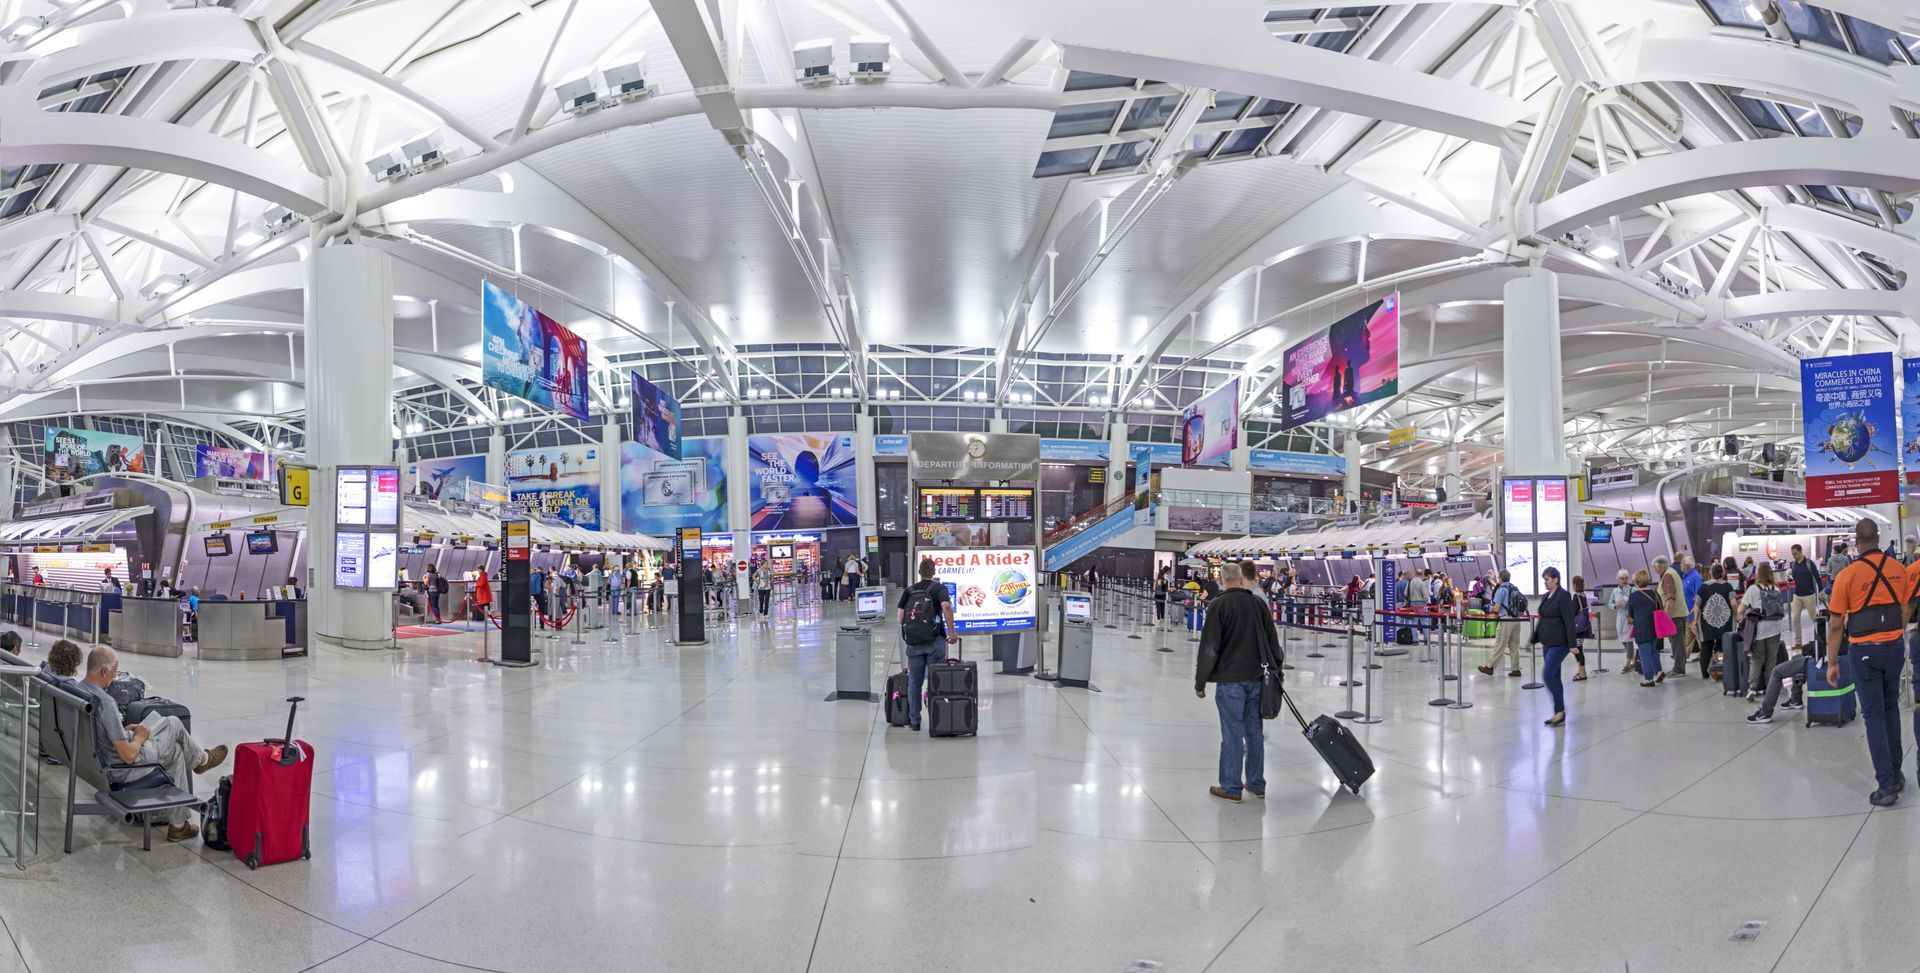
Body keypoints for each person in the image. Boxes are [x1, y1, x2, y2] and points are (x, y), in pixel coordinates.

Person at [73, 646, 228, 841]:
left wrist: (124, 732)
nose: (114, 677)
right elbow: (128, 756)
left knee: (175, 749)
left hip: (99, 761)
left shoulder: (80, 690)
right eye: (114, 671)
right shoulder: (105, 703)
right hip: (124, 769)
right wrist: (139, 737)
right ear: (104, 671)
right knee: (173, 724)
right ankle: (201, 760)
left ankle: (179, 826)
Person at [1824, 519, 1907, 806]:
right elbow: (1905, 606)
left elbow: (1836, 625)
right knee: (1890, 707)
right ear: (1879, 538)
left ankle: (1886, 785)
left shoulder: (1847, 575)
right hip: (1894, 648)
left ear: (1857, 542)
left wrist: (1832, 662)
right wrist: (1897, 633)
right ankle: (1896, 774)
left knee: (1873, 716)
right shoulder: (1898, 569)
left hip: (1865, 651)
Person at [1195, 560, 1279, 803]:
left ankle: (1231, 787)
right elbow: (1272, 642)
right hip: (1257, 678)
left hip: (1230, 681)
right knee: (1254, 732)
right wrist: (1277, 672)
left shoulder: (1218, 605)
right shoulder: (1257, 604)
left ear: (1222, 580)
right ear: (1241, 579)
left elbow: (1210, 648)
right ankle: (1256, 784)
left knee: (1232, 733)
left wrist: (1200, 682)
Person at [896, 557, 959, 732]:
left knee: (914, 682)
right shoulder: (939, 589)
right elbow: (946, 607)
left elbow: (901, 618)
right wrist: (952, 632)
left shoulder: (909, 590)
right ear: (934, 572)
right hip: (935, 641)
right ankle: (936, 718)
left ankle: (915, 721)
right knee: (935, 681)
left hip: (914, 643)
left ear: (919, 572)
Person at [1532, 567, 1577, 727]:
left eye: (1547, 579)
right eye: (1544, 579)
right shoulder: (1545, 597)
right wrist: (1533, 639)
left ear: (1556, 579)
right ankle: (1559, 712)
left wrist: (1573, 644)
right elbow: (1542, 619)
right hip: (1547, 642)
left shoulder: (1563, 596)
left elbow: (1569, 621)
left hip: (1560, 643)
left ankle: (1560, 710)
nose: (1545, 582)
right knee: (1555, 677)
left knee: (1548, 675)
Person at [1737, 562, 1785, 700]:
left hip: (1759, 629)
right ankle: (1770, 687)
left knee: (1757, 659)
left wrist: (1742, 618)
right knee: (1771, 659)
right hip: (1775, 628)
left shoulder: (1753, 589)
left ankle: (1752, 689)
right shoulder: (1776, 589)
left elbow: (1740, 609)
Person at [1477, 570, 1525, 677]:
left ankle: (1489, 667)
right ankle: (1515, 669)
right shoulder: (1514, 588)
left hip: (1506, 619)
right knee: (1514, 645)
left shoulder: (1501, 590)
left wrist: (1491, 608)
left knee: (1500, 644)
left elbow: (1497, 607)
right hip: (1517, 619)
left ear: (1501, 578)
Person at [1694, 564, 1737, 682]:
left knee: (1706, 646)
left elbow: (1697, 605)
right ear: (1722, 574)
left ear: (1711, 573)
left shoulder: (1703, 587)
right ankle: (1721, 669)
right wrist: (1737, 615)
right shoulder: (1728, 586)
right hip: (1725, 621)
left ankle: (1704, 673)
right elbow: (1733, 603)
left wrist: (1694, 620)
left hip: (1707, 621)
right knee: (1721, 645)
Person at [1626, 571, 1666, 687]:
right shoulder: (1654, 593)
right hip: (1655, 628)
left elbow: (1631, 614)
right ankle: (1659, 671)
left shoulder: (1633, 596)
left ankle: (1649, 679)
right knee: (1653, 651)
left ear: (1637, 582)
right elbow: (1660, 608)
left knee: (1644, 655)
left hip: (1642, 629)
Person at [1655, 556, 1687, 675]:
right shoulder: (1671, 572)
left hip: (1674, 615)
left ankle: (1678, 669)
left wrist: (1665, 614)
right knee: (1678, 642)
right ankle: (1679, 667)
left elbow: (1670, 596)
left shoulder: (1668, 575)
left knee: (1677, 642)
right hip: (1678, 613)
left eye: (1655, 567)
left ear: (1659, 566)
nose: (1655, 570)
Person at [1787, 544, 1821, 650]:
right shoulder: (1793, 564)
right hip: (1797, 595)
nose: (1794, 556)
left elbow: (1817, 577)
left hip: (1809, 595)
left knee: (1814, 618)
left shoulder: (1809, 563)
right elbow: (1794, 578)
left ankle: (1821, 639)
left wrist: (1821, 592)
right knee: (1795, 618)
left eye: (1795, 553)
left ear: (1801, 551)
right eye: (1792, 554)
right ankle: (1798, 642)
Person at [1568, 575, 1593, 681]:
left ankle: (1583, 673)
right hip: (1582, 627)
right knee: (1579, 649)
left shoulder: (1576, 596)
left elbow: (1573, 612)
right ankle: (1581, 670)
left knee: (1578, 650)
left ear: (1575, 584)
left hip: (1577, 628)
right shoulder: (1583, 595)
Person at [1608, 569, 1633, 672]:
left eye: (1626, 578)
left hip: (1629, 618)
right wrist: (1614, 605)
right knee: (1623, 640)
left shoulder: (1632, 590)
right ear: (1618, 579)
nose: (1624, 580)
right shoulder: (1615, 591)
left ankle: (1628, 663)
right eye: (1622, 578)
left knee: (1629, 640)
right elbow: (1610, 603)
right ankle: (1632, 658)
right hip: (1620, 618)